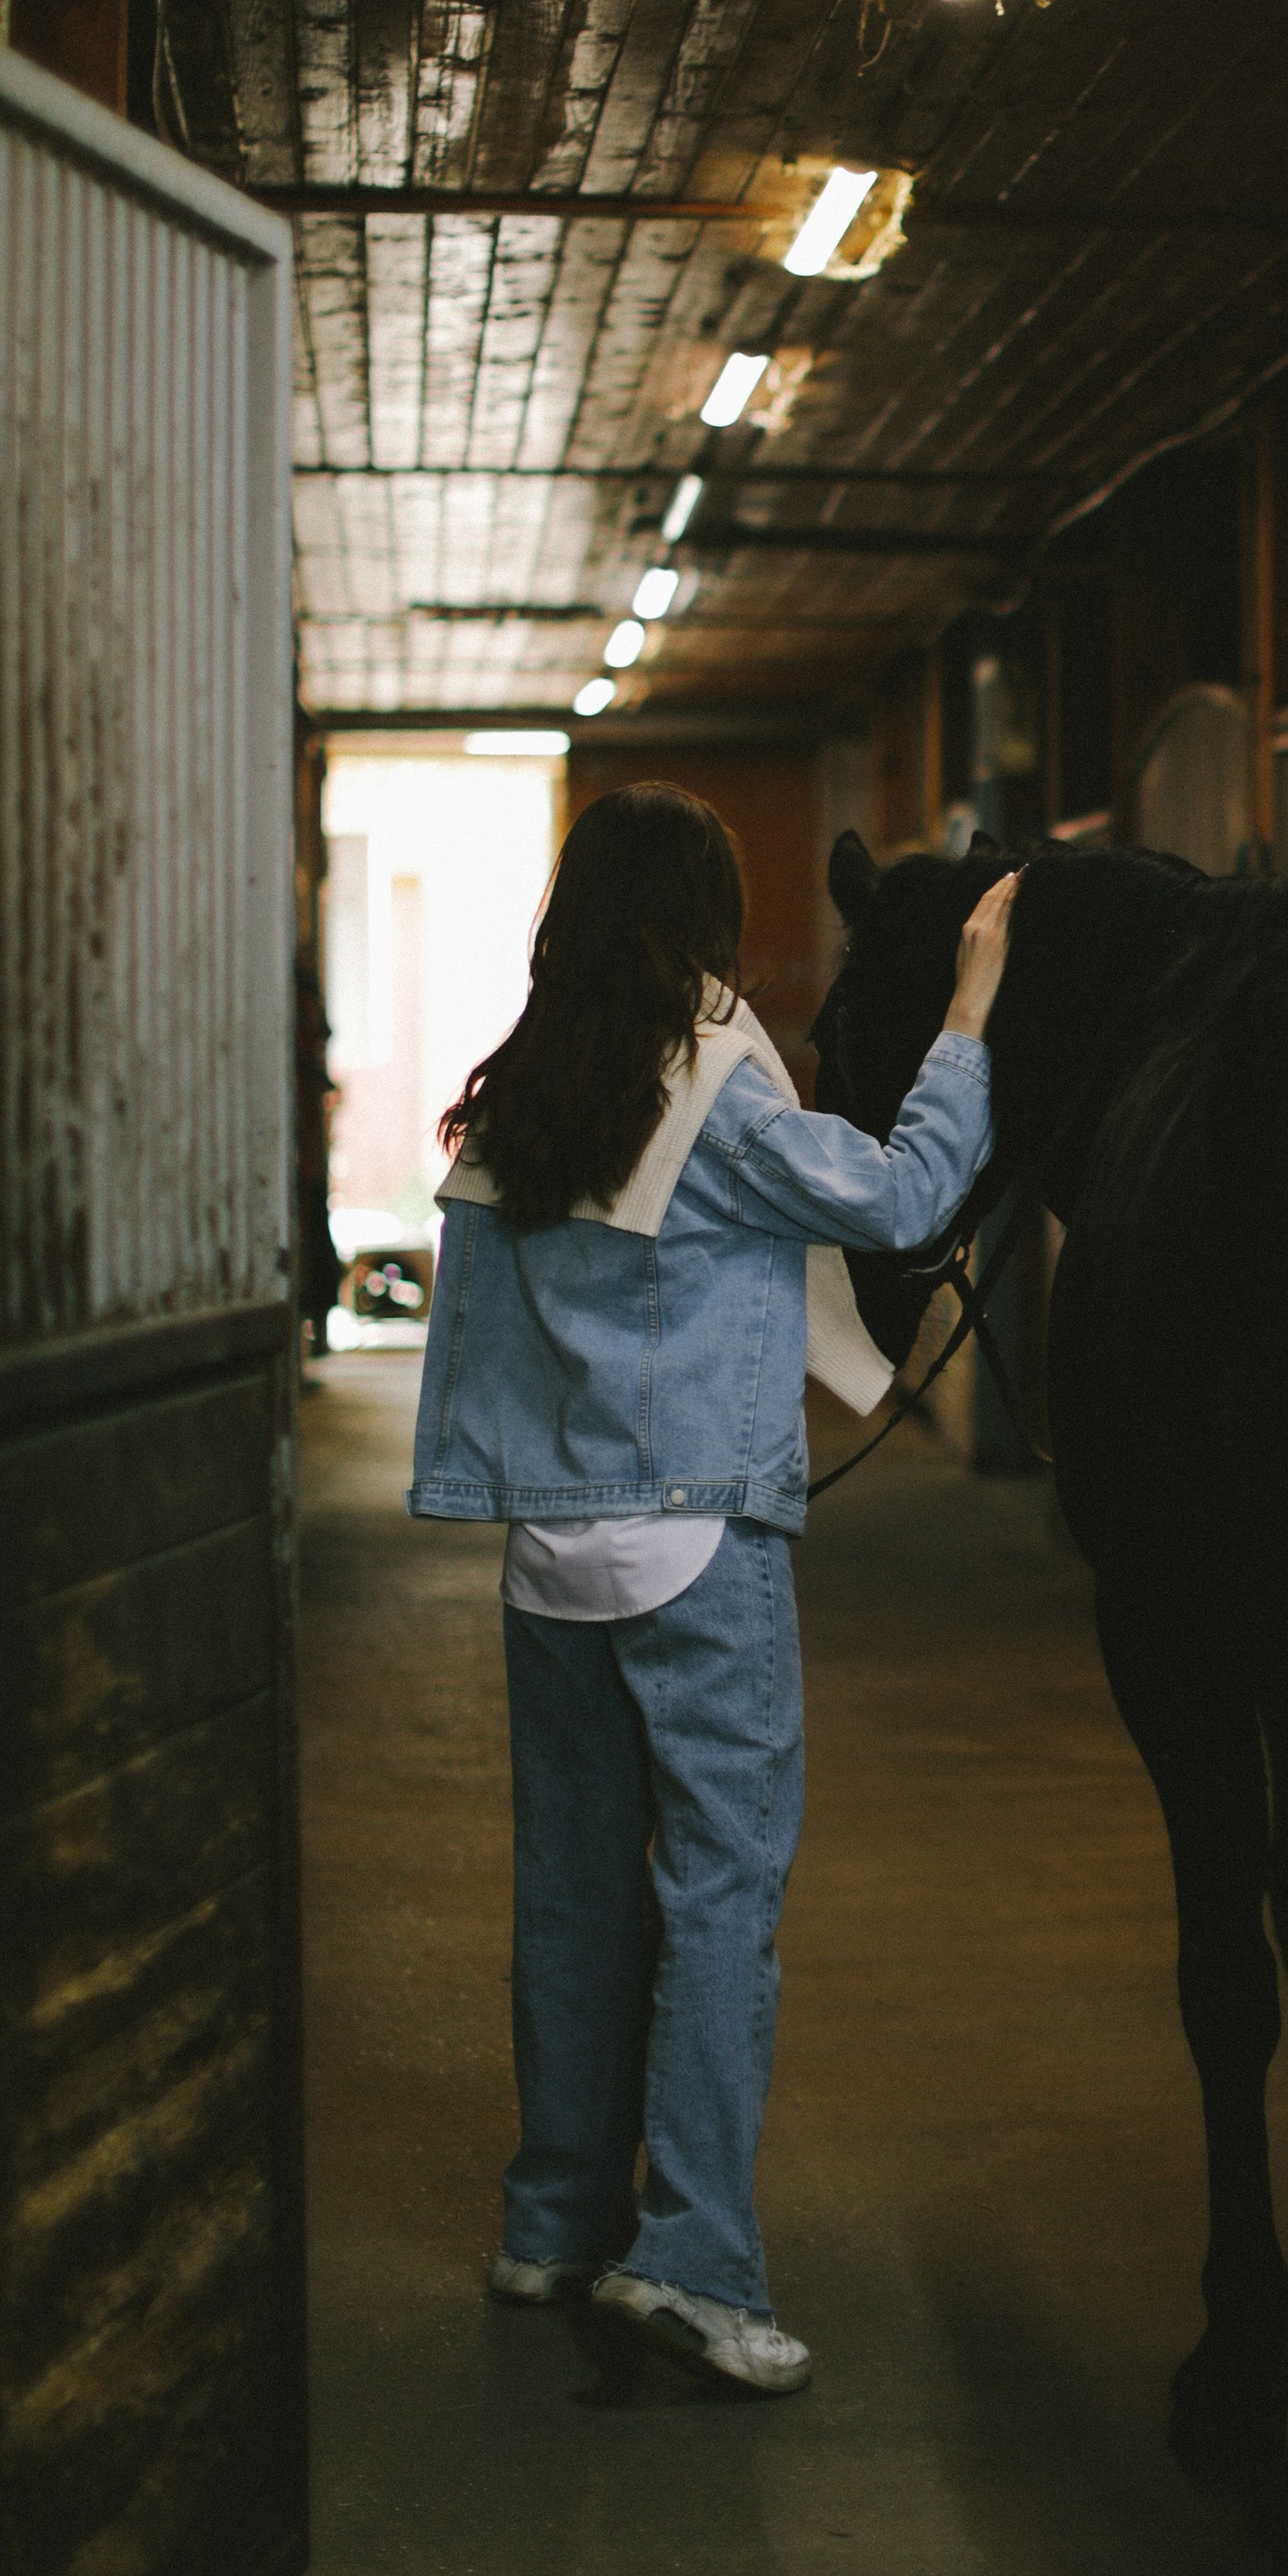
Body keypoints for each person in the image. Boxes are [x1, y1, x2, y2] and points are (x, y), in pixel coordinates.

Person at [407, 782, 1013, 2392]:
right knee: (721, 1905)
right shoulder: (712, 1098)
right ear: (700, 919)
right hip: (692, 1551)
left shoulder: (524, 1092)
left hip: (551, 1559)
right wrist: (964, 1022)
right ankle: (689, 2262)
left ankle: (553, 2223)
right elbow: (898, 1197)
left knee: (575, 1895)